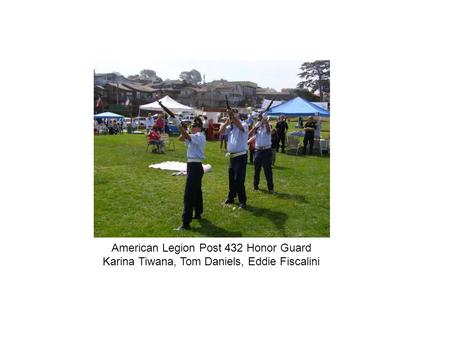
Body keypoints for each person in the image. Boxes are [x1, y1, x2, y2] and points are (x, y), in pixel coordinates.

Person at [176, 117, 206, 230]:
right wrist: (184, 128)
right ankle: (198, 212)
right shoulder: (193, 136)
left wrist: (178, 125)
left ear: (199, 127)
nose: (192, 128)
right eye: (191, 126)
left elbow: (187, 136)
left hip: (195, 166)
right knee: (197, 191)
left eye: (194, 126)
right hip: (192, 166)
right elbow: (181, 138)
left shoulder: (199, 136)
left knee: (188, 194)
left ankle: (185, 222)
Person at [219, 109, 249, 209]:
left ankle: (242, 201)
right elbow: (220, 131)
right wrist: (227, 121)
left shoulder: (244, 124)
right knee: (231, 179)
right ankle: (231, 198)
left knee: (239, 180)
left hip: (241, 156)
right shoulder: (230, 126)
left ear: (237, 116)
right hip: (232, 157)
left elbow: (240, 126)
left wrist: (233, 117)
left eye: (234, 114)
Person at [249, 117, 274, 193]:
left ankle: (270, 188)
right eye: (259, 121)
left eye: (261, 121)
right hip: (258, 151)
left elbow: (268, 130)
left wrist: (265, 121)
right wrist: (255, 127)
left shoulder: (268, 127)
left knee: (267, 170)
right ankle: (255, 186)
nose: (260, 122)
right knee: (257, 169)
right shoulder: (257, 130)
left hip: (266, 151)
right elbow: (249, 134)